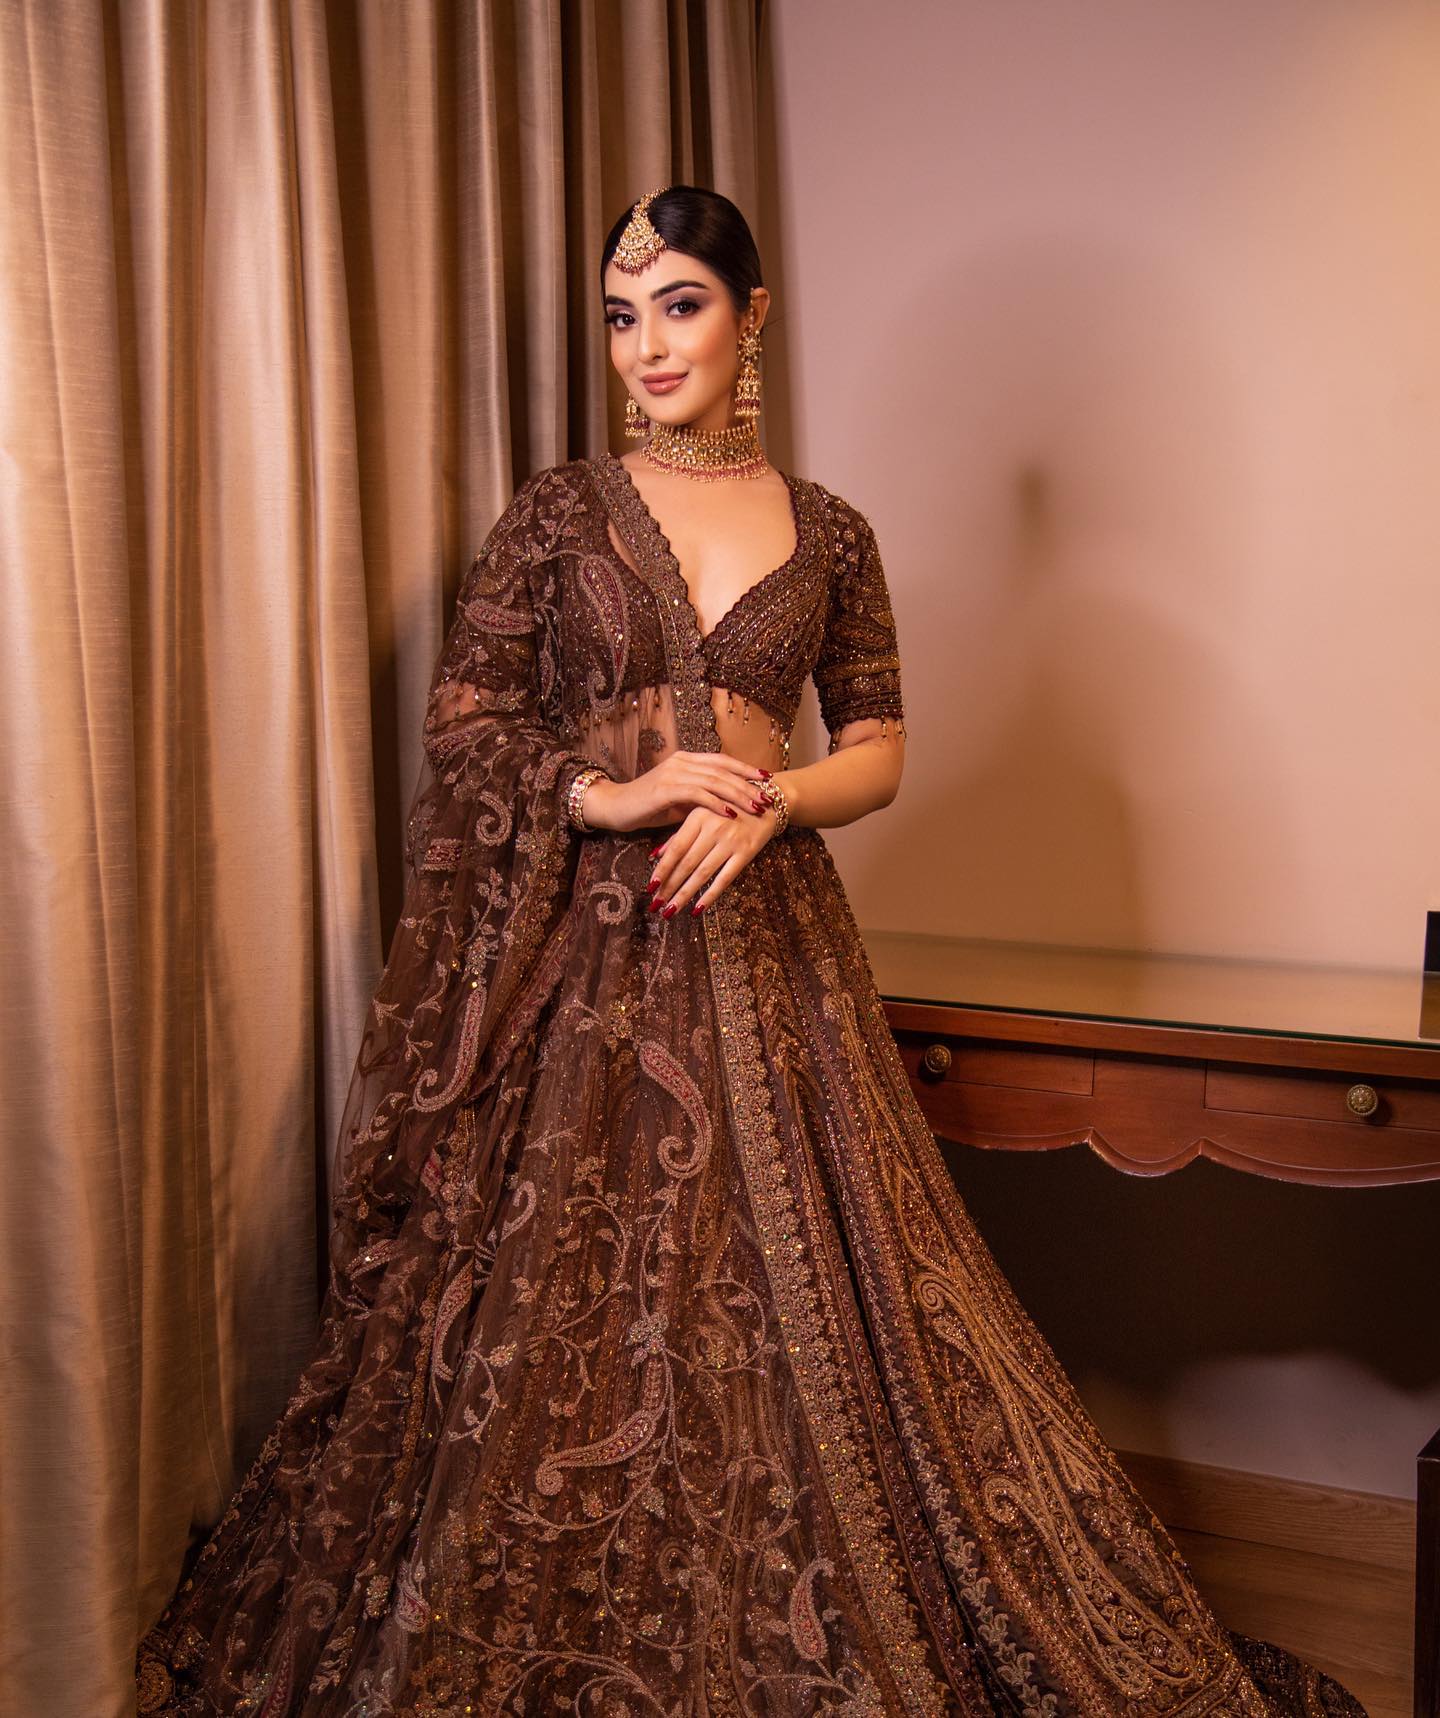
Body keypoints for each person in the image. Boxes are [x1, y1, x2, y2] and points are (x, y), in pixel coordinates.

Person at [136, 185, 1367, 1717]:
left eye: (681, 304)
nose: (647, 345)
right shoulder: (556, 516)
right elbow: (467, 730)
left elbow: (880, 747)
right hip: (585, 952)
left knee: (810, 1309)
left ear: (751, 315)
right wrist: (613, 792)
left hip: (775, 940)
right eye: (621, 315)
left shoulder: (831, 531)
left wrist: (774, 802)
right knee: (567, 1312)